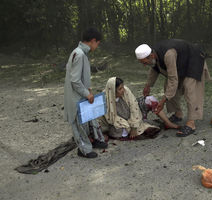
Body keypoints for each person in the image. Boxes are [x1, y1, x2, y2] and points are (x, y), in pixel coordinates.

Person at [135, 39, 210, 137]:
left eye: (145, 62)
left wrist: (162, 101)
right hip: (181, 64)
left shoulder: (168, 55)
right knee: (168, 86)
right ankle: (178, 114)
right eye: (142, 63)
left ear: (151, 56)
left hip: (194, 62)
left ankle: (191, 123)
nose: (144, 65)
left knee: (189, 88)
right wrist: (148, 85)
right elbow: (154, 68)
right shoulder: (154, 55)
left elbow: (173, 79)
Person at [64, 27, 107, 158]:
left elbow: (81, 77)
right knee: (80, 123)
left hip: (82, 93)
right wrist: (86, 93)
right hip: (76, 95)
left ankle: (95, 140)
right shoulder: (79, 54)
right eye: (97, 44)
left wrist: (88, 89)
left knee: (89, 117)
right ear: (93, 41)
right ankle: (84, 150)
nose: (97, 46)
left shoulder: (81, 53)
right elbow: (75, 80)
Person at [98, 77, 179, 140]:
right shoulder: (105, 99)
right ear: (113, 91)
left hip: (134, 115)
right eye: (120, 89)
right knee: (121, 133)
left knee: (150, 100)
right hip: (120, 122)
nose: (123, 90)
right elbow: (112, 119)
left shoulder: (126, 90)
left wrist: (134, 127)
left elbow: (134, 106)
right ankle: (143, 125)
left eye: (122, 87)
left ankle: (167, 122)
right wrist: (129, 126)